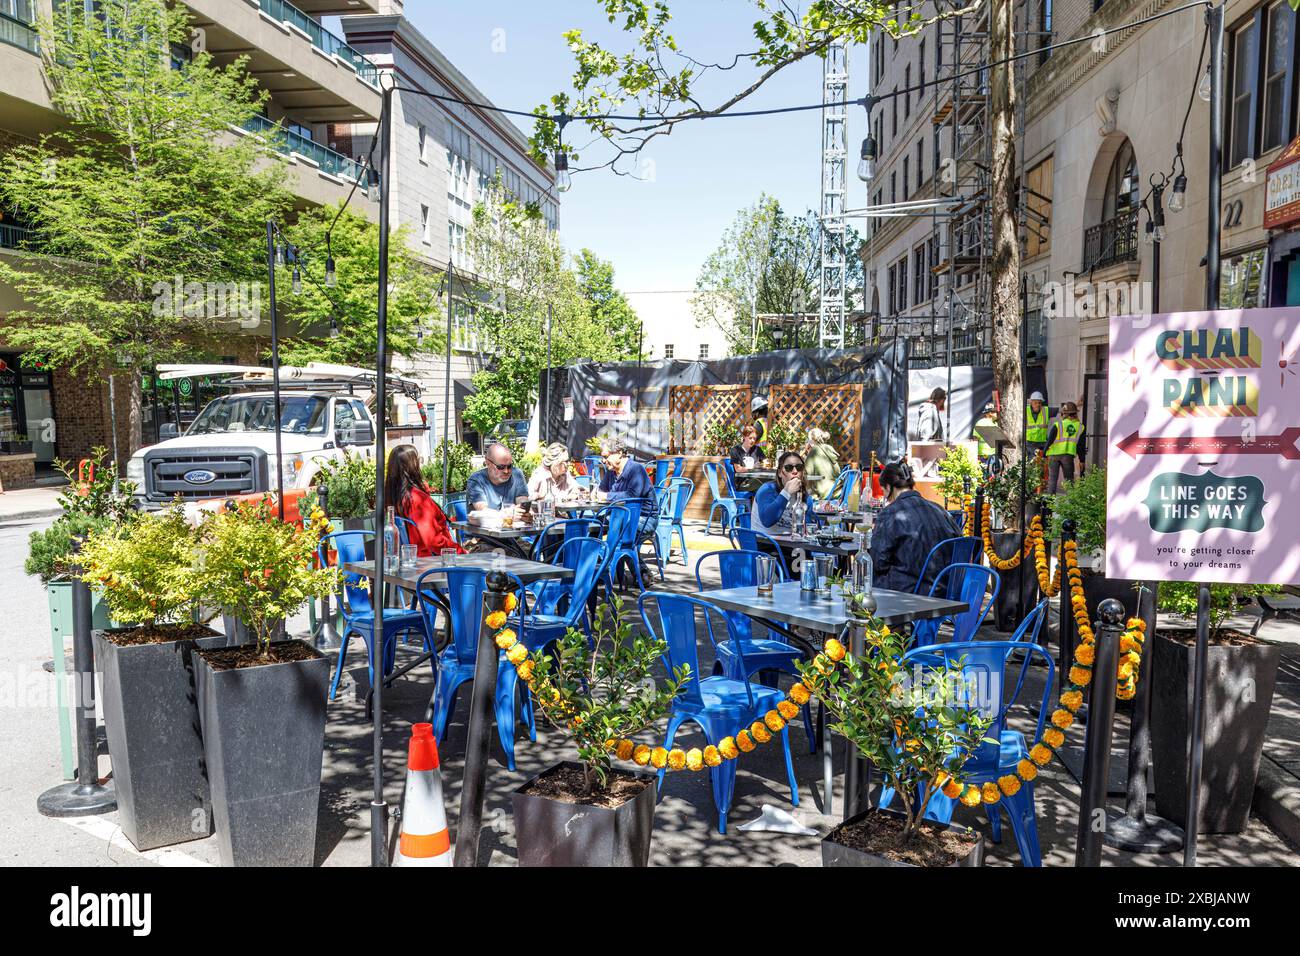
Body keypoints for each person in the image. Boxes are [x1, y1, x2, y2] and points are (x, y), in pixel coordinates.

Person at [869, 460, 960, 594]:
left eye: (883, 491)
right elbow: (959, 547)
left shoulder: (890, 513)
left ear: (888, 487)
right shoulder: (940, 510)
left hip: (910, 592)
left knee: (864, 574)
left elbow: (877, 563)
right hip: (947, 590)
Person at [384, 444, 464, 556]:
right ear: (412, 465)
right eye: (418, 460)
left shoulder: (393, 495)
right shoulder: (417, 499)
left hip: (412, 559)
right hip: (434, 562)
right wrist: (461, 552)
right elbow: (434, 541)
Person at [753, 450, 815, 535]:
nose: (795, 471)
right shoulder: (767, 489)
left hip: (794, 545)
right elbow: (767, 520)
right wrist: (786, 492)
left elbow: (808, 529)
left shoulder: (805, 496)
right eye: (789, 468)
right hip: (766, 544)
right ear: (779, 473)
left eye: (799, 467)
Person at [466, 441, 528, 518]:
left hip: (512, 527)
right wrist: (505, 515)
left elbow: (523, 502)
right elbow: (482, 510)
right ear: (488, 463)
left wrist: (525, 512)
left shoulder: (517, 474)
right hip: (485, 529)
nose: (506, 471)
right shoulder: (476, 480)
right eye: (501, 467)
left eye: (509, 466)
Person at [1045, 401, 1086, 494]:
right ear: (1075, 413)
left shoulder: (1058, 425)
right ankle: (1070, 506)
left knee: (1052, 482)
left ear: (1064, 414)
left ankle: (1049, 506)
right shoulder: (1080, 427)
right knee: (1069, 482)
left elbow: (1050, 440)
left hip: (1053, 455)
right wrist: (1082, 460)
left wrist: (1044, 453)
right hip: (1068, 456)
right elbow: (1081, 446)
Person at [803, 427, 840, 499]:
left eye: (809, 440)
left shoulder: (814, 450)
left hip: (825, 493)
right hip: (837, 489)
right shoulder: (829, 449)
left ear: (812, 440)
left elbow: (807, 474)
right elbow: (838, 472)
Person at [1025, 391, 1049, 459]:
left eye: (1039, 403)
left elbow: (1062, 411)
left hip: (1042, 443)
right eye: (1035, 403)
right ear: (1031, 403)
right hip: (1030, 443)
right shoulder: (1024, 410)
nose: (1038, 404)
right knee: (1033, 462)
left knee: (1042, 463)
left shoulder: (1046, 410)